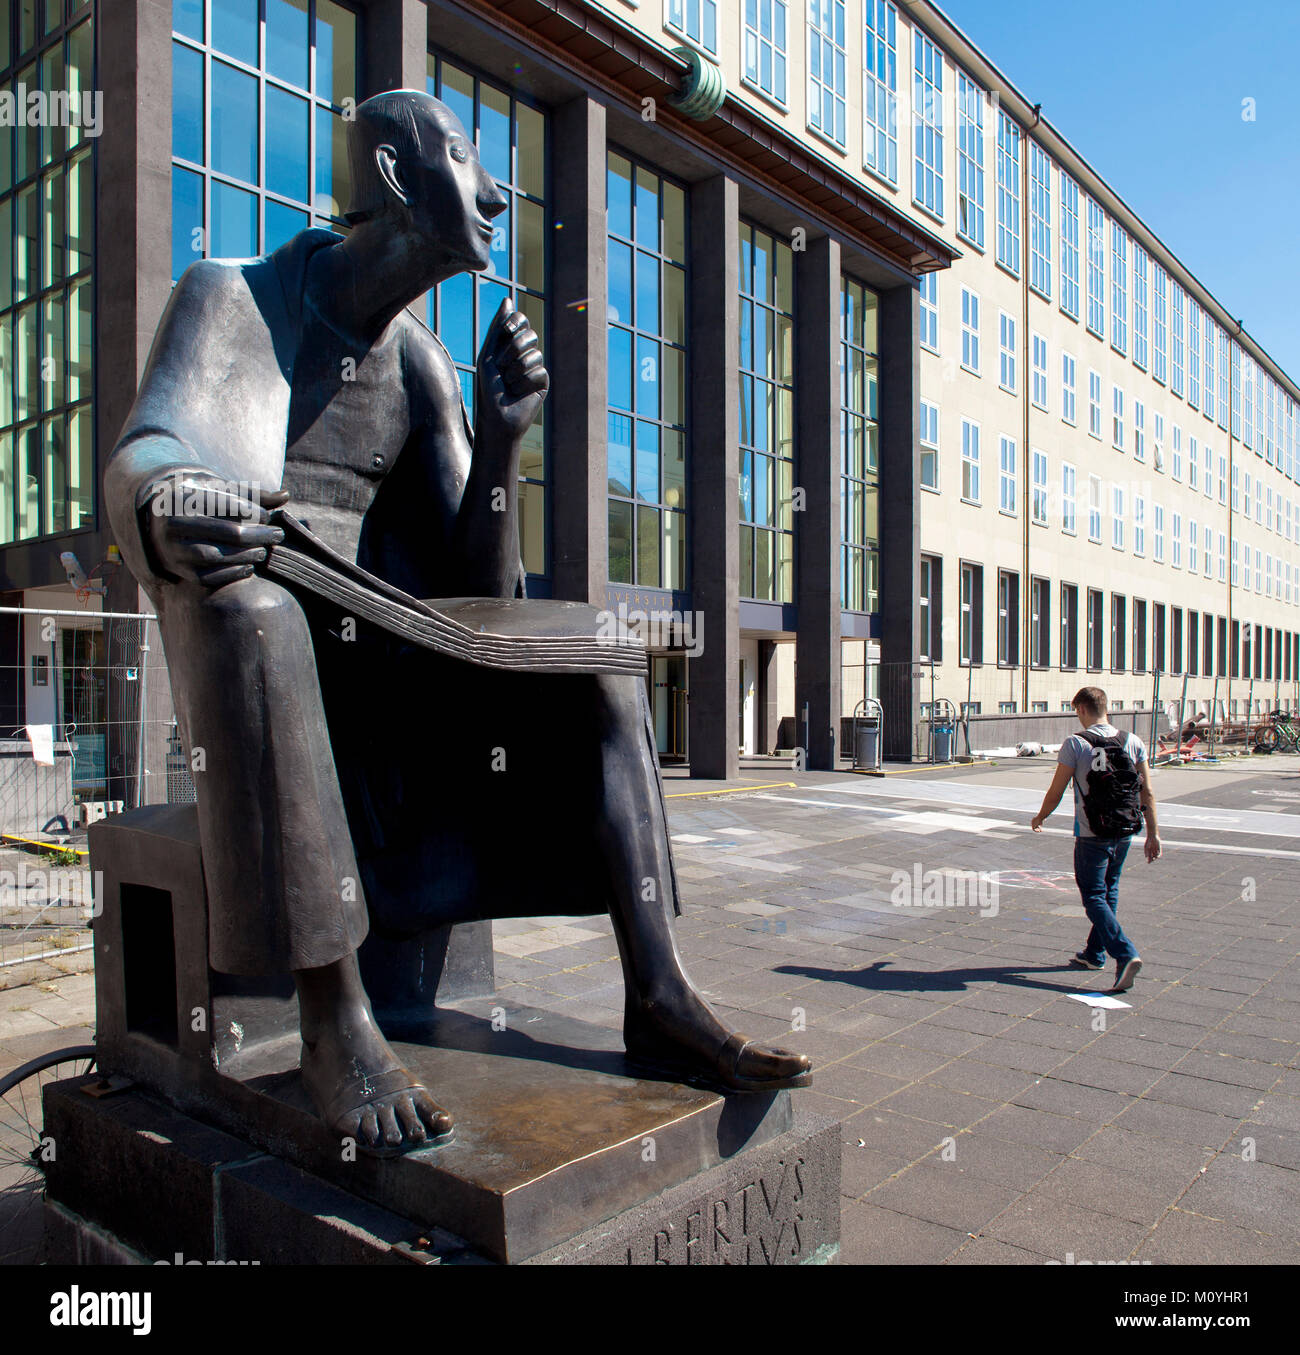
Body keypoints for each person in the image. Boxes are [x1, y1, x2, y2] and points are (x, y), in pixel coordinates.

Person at [104, 89, 810, 1157]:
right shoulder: (233, 300)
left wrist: (503, 442)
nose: (494, 191)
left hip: (396, 687)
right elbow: (151, 445)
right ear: (395, 176)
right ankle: (335, 1019)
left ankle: (658, 988)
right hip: (265, 666)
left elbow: (477, 587)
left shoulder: (420, 363)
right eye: (467, 162)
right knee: (259, 620)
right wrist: (169, 500)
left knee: (594, 657)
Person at [1030, 686, 1161, 993]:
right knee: (1109, 889)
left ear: (1082, 710)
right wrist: (1153, 833)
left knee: (1092, 896)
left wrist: (1040, 817)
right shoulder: (1133, 741)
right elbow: (1148, 792)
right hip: (1126, 829)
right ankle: (1094, 953)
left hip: (1092, 833)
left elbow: (1057, 789)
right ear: (1106, 708)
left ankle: (1125, 952)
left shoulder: (1076, 743)